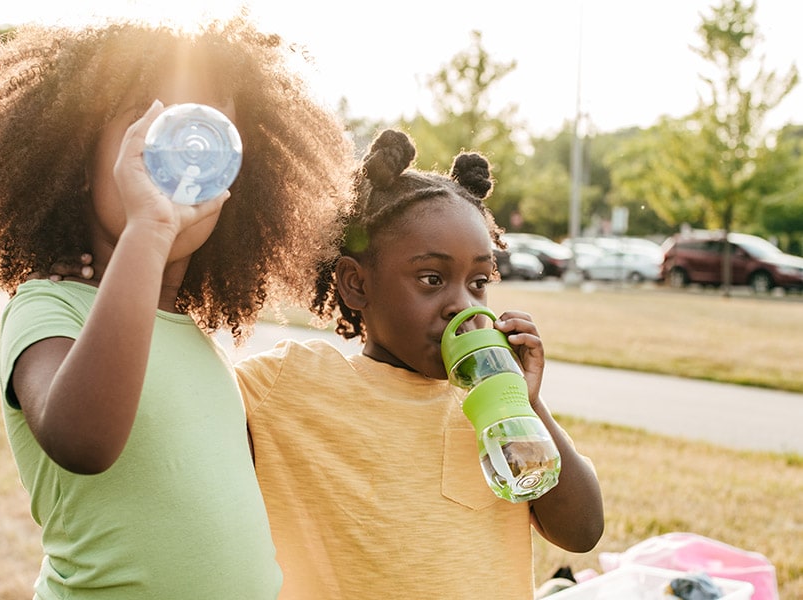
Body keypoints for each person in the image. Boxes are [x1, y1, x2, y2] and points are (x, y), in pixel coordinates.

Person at [0, 17, 353, 599]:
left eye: (206, 136)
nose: (180, 160)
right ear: (81, 166)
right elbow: (84, 442)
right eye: (151, 129)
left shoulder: (196, 338)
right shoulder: (49, 306)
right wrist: (148, 231)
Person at [233, 129, 605, 598]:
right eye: (432, 279)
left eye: (478, 282)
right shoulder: (288, 383)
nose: (461, 304)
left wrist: (526, 405)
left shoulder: (498, 407)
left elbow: (582, 530)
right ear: (356, 284)